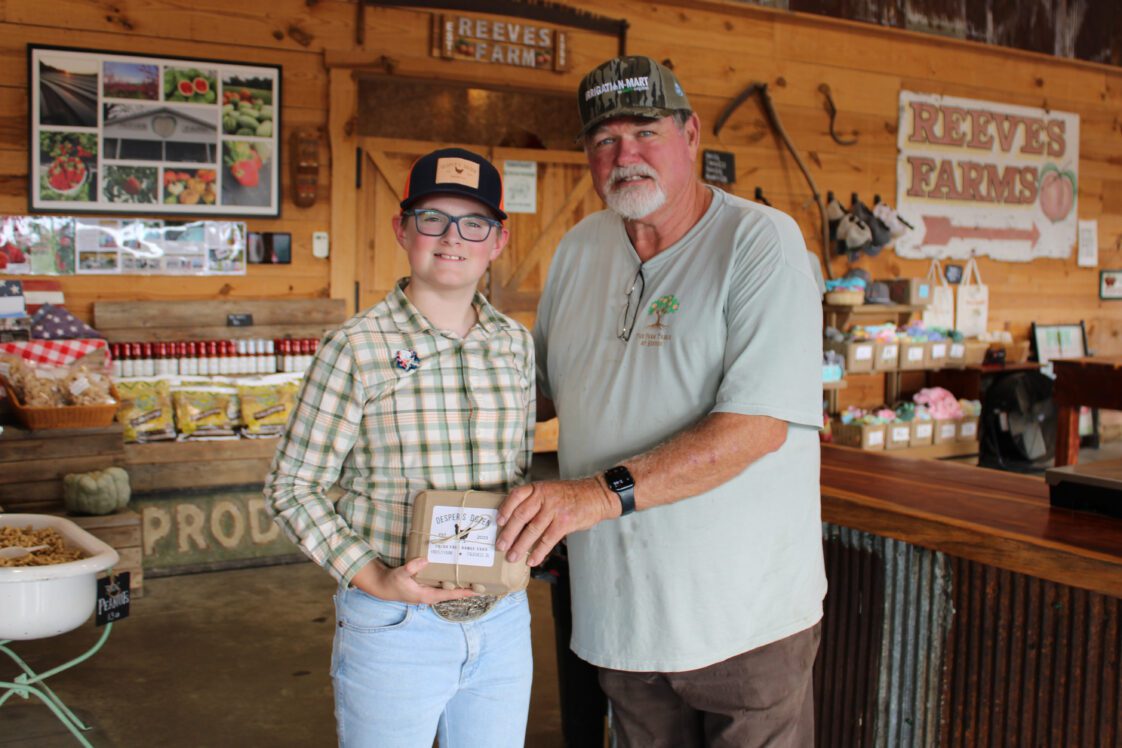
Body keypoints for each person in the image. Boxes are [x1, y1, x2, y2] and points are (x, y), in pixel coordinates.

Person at [496, 56, 827, 747]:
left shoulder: (761, 242)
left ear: (691, 134)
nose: (626, 155)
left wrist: (591, 496)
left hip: (743, 618)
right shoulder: (580, 249)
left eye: (645, 132)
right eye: (604, 140)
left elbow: (757, 426)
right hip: (622, 615)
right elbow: (542, 390)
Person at [265, 147, 536, 748]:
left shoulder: (515, 345)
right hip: (395, 624)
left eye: (474, 223)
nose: (452, 237)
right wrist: (374, 579)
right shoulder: (355, 349)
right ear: (402, 229)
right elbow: (290, 488)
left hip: (502, 618)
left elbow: (516, 471)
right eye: (432, 218)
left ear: (497, 240)